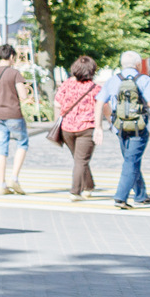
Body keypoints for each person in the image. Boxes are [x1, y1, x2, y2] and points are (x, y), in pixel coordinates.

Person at [96, 50, 150, 208]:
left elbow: (101, 103)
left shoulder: (112, 80)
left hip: (120, 126)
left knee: (130, 159)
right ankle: (121, 197)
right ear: (138, 64)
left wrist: (103, 124)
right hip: (138, 127)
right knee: (131, 161)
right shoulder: (144, 79)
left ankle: (140, 194)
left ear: (122, 64)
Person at [0, 45, 32, 194]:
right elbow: (23, 96)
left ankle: (2, 184)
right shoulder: (15, 73)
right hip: (14, 115)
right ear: (11, 56)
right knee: (22, 144)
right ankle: (14, 178)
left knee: (1, 149)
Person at [53, 56, 100, 199]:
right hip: (86, 128)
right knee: (81, 160)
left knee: (79, 159)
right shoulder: (95, 88)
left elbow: (57, 104)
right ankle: (75, 191)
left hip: (67, 128)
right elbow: (103, 107)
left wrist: (57, 123)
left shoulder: (66, 85)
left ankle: (89, 186)